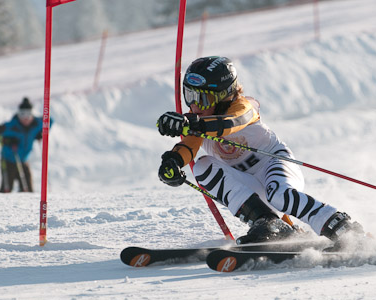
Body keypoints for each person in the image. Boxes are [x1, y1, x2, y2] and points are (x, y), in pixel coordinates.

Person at [156, 56, 364, 247]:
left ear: (223, 96)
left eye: (202, 99)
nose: (194, 105)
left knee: (279, 195)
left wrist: (191, 122)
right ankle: (270, 224)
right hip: (248, 184)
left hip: (274, 165)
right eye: (189, 96)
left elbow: (230, 123)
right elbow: (187, 147)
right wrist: (172, 162)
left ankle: (341, 227)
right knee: (202, 165)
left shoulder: (243, 107)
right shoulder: (198, 121)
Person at [0, 97, 48, 193]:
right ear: (18, 114)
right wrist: (5, 140)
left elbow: (49, 121)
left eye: (28, 114)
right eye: (22, 114)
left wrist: (40, 133)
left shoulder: (36, 124)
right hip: (8, 160)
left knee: (27, 189)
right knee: (6, 189)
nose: (25, 118)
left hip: (23, 160)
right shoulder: (12, 126)